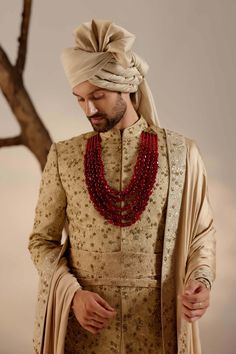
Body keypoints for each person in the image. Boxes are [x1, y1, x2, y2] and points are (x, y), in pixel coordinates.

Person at [28, 19, 216, 354]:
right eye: (79, 99)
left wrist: (201, 280)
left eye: (97, 96)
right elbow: (41, 241)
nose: (88, 109)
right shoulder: (65, 156)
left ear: (126, 88)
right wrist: (71, 294)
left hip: (158, 328)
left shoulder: (181, 154)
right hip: (83, 332)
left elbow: (201, 235)